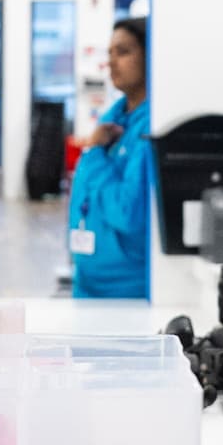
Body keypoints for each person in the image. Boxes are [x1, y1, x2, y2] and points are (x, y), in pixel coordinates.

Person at [65, 17, 152, 301]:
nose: (112, 62)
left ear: (151, 55)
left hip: (125, 293)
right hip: (88, 287)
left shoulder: (149, 128)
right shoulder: (112, 119)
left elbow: (128, 212)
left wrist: (95, 153)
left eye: (124, 52)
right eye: (110, 53)